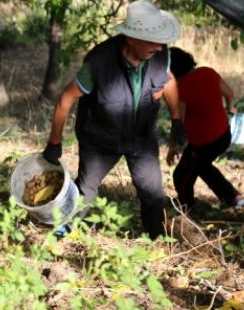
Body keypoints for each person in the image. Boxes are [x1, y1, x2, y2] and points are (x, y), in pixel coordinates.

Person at [42, 0, 183, 239]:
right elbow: (65, 99)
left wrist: (177, 121)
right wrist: (55, 142)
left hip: (140, 137)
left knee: (153, 194)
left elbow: (168, 81)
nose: (159, 48)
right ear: (131, 38)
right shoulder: (99, 63)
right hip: (100, 139)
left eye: (161, 41)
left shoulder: (160, 53)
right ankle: (62, 233)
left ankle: (156, 240)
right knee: (85, 190)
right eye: (153, 41)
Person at [166, 47, 244, 212]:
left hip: (203, 144)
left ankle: (188, 213)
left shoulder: (181, 89)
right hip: (224, 135)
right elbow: (229, 94)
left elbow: (179, 123)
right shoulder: (207, 72)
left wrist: (173, 148)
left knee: (181, 177)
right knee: (203, 167)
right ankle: (233, 198)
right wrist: (230, 110)